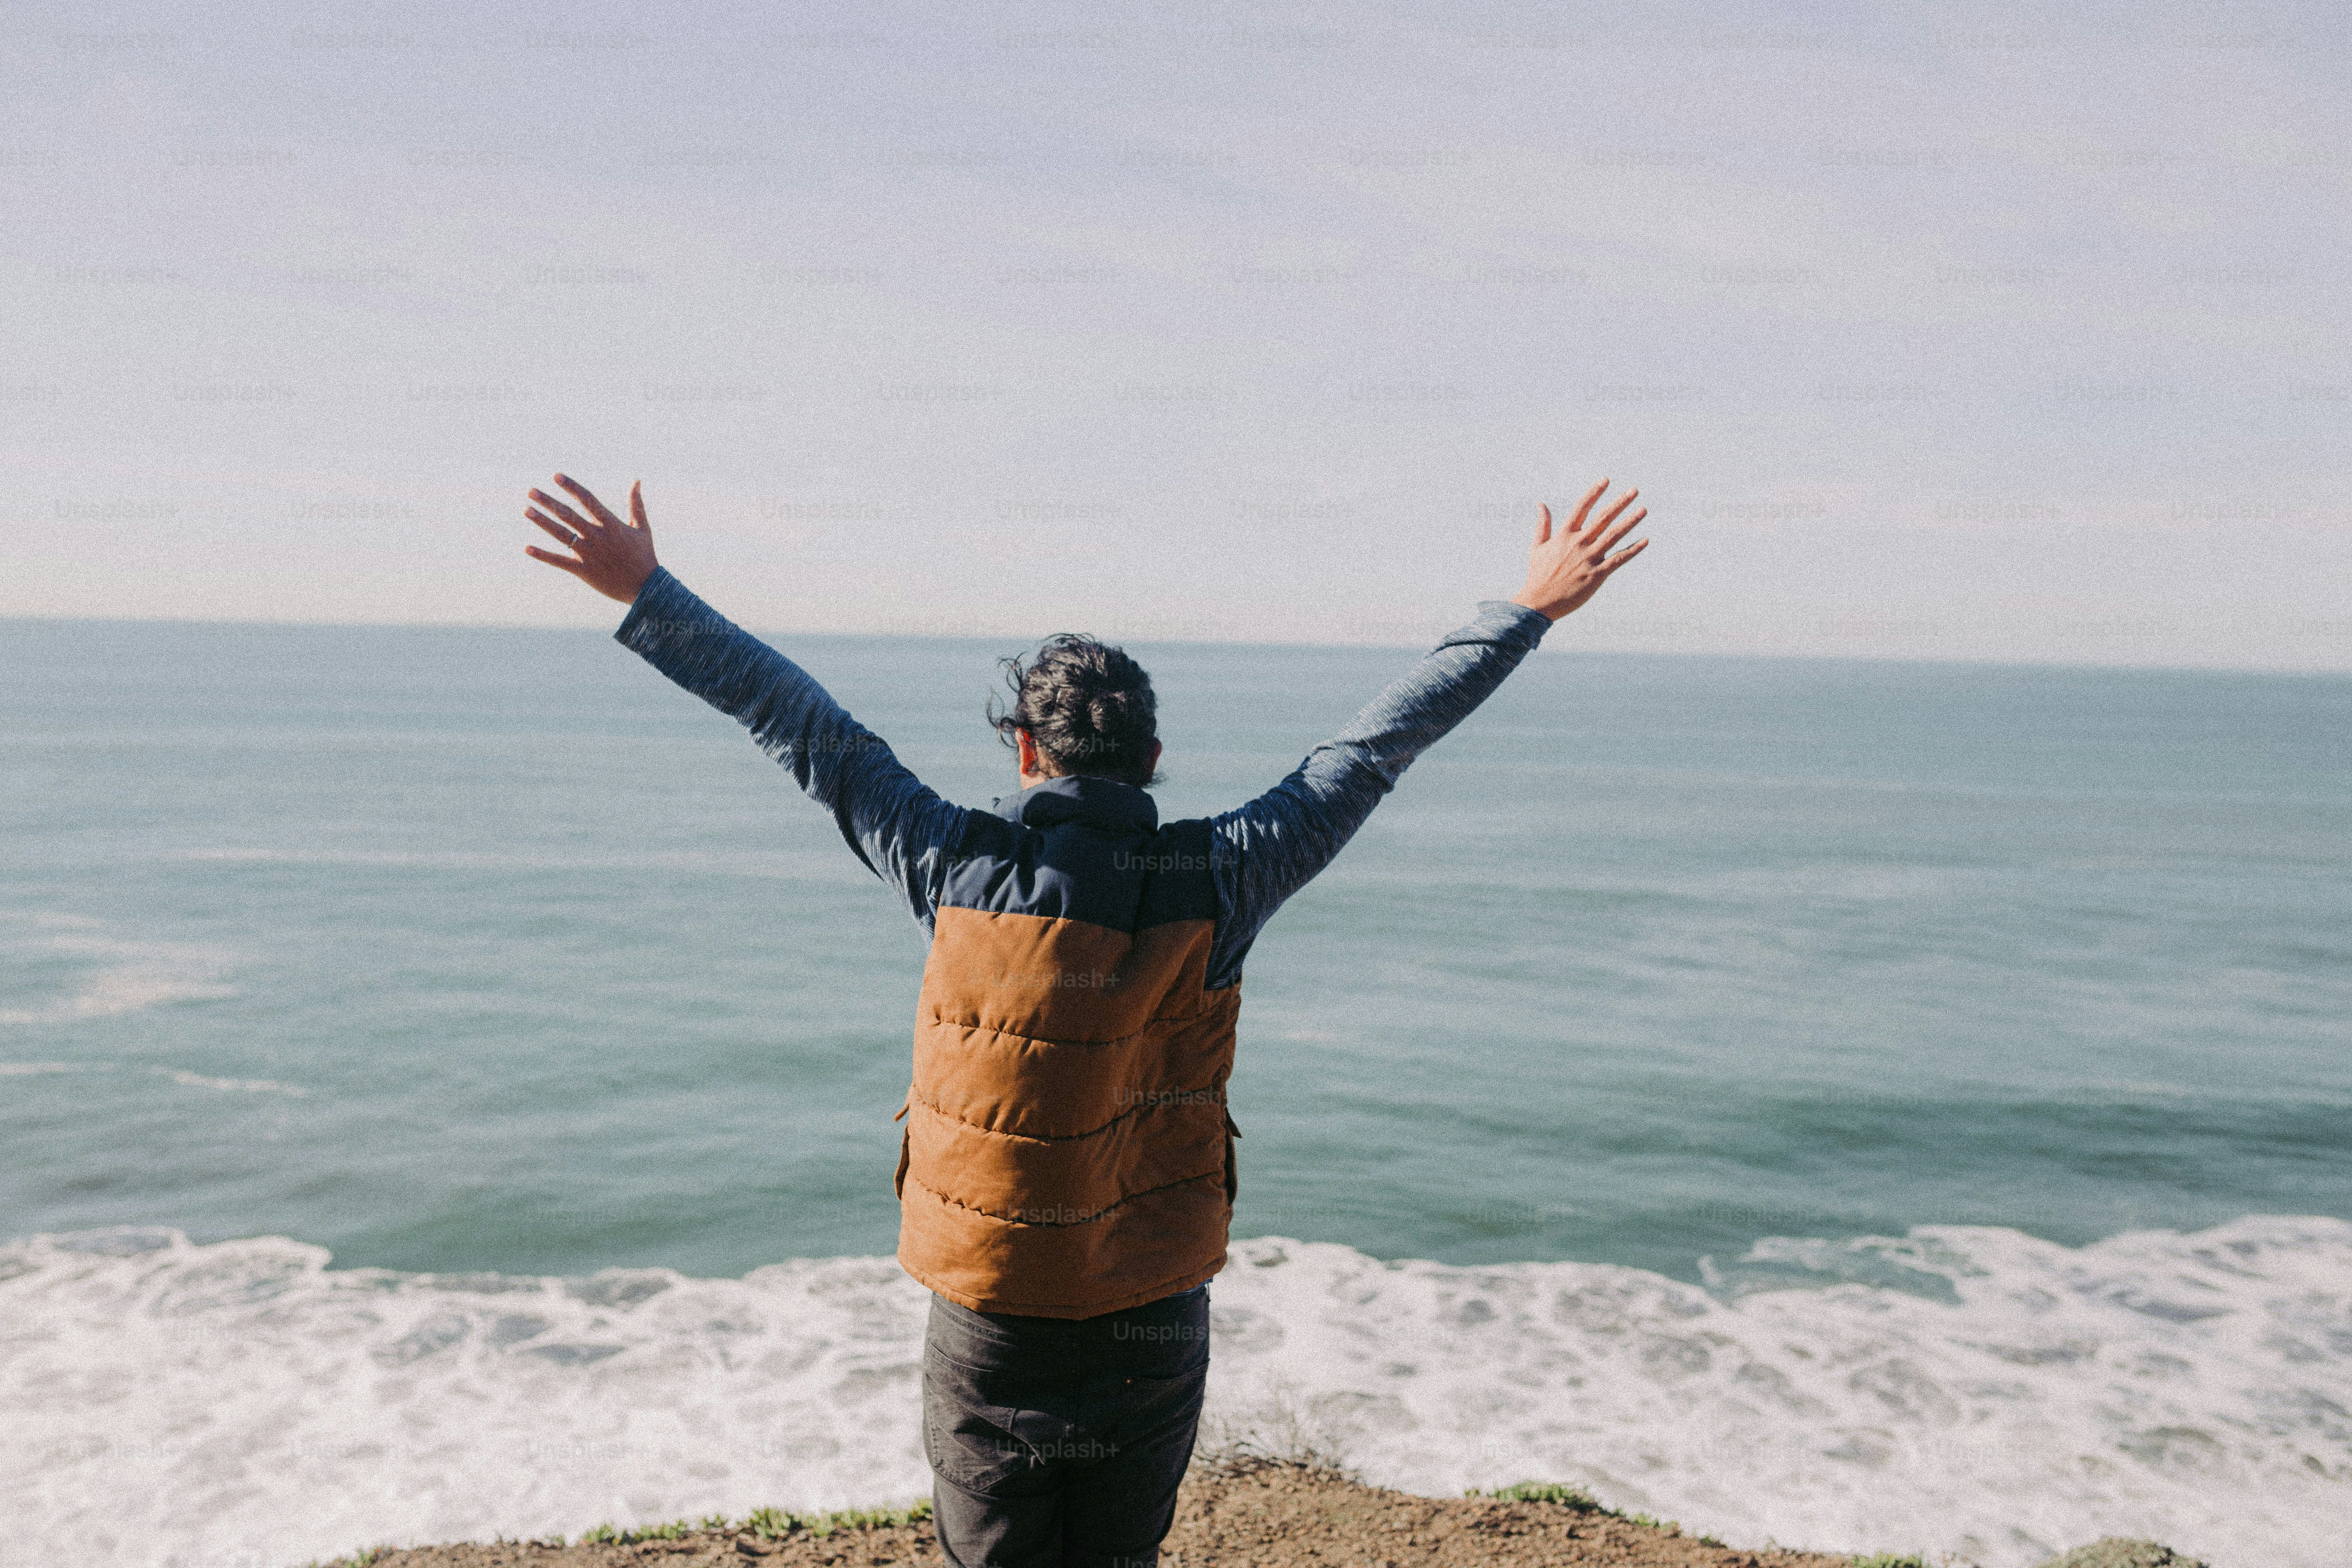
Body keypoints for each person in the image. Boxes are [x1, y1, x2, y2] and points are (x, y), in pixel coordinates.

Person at [520, 473, 1649, 1567]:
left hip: (992, 1313)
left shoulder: (953, 862)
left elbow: (804, 726)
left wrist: (648, 591)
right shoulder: (1224, 875)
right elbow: (1372, 750)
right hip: (1150, 1308)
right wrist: (1530, 608)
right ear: (1150, 763)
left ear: (1025, 751)